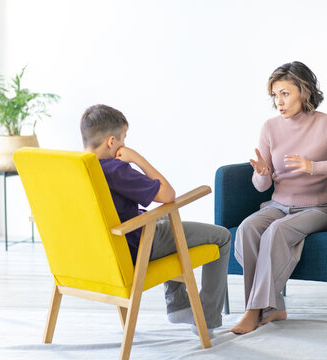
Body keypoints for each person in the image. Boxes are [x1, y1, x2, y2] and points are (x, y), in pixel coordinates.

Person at [231, 61, 327, 334]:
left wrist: (316, 167)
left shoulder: (325, 124)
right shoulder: (270, 127)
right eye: (275, 95)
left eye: (285, 93)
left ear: (304, 91)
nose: (279, 102)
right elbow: (262, 186)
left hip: (317, 208)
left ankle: (253, 311)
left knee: (277, 231)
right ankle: (273, 308)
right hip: (277, 204)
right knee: (248, 228)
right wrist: (262, 174)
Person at [80, 104, 231, 336]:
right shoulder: (116, 170)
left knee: (165, 223)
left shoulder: (75, 167)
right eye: (124, 140)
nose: (125, 145)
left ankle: (178, 305)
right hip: (134, 248)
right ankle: (207, 318)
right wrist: (137, 159)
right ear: (112, 142)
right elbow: (167, 195)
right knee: (221, 236)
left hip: (95, 253)